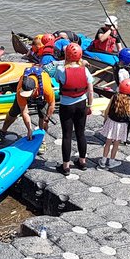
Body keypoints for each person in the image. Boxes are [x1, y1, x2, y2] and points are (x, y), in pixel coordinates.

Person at [54, 43, 95, 174]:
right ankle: (82, 162)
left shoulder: (61, 70)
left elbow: (57, 79)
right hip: (82, 104)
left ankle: (66, 167)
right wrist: (89, 105)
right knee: (80, 133)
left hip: (67, 105)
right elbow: (91, 90)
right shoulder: (85, 70)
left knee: (67, 135)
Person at [0, 56, 56, 144]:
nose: (26, 96)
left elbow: (52, 104)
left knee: (42, 115)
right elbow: (24, 112)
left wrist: (47, 120)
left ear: (35, 89)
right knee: (13, 112)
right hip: (30, 90)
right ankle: (3, 131)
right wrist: (29, 129)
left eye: (28, 94)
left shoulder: (46, 88)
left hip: (41, 94)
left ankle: (41, 137)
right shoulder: (20, 87)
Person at [98, 78, 130, 170]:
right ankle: (111, 161)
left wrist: (105, 119)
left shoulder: (114, 96)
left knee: (108, 142)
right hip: (121, 125)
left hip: (111, 122)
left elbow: (107, 110)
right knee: (116, 144)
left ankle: (103, 161)